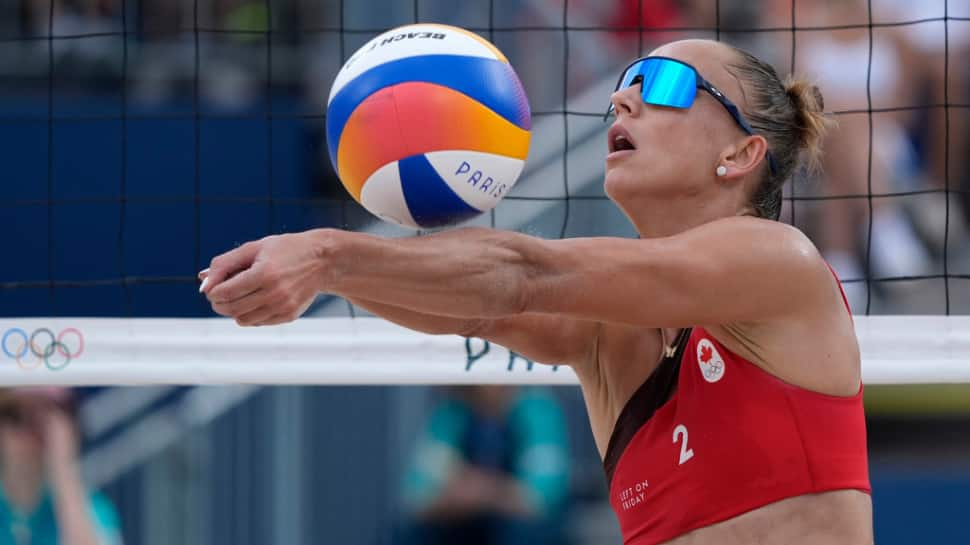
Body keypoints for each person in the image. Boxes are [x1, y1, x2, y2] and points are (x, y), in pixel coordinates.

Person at [200, 38, 873, 545]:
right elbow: (483, 304)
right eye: (623, 83)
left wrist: (326, 253)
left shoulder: (775, 258)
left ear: (741, 154)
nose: (625, 98)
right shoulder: (613, 338)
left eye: (666, 83)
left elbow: (528, 274)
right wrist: (333, 273)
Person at [397, 386, 569, 545]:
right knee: (413, 532)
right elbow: (419, 494)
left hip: (516, 525)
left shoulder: (537, 408)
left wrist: (483, 490)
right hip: (464, 521)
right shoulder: (453, 412)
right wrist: (458, 498)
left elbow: (542, 498)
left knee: (526, 533)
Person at [0, 388, 122, 545]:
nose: (29, 433)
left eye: (44, 419)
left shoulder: (91, 509)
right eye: (15, 415)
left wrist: (63, 469)